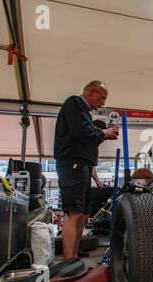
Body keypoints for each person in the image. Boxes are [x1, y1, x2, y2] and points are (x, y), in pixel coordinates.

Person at [54, 80, 118, 260]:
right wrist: (104, 133)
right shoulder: (75, 103)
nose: (103, 103)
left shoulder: (84, 113)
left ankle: (73, 254)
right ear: (91, 92)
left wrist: (101, 135)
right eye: (102, 98)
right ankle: (68, 261)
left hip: (82, 165)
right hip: (72, 164)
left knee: (83, 213)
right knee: (74, 213)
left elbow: (85, 135)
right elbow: (80, 131)